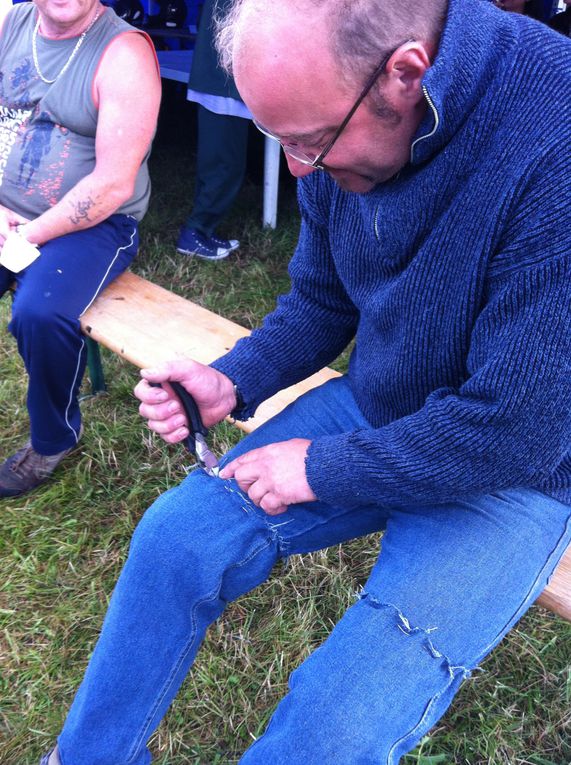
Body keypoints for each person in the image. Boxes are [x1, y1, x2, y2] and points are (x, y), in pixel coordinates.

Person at [41, 0, 571, 763]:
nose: (297, 169)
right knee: (174, 541)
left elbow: (517, 427)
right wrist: (234, 381)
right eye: (278, 140)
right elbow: (324, 299)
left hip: (511, 471)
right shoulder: (329, 110)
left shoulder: (552, 138)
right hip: (381, 405)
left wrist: (319, 467)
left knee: (331, 730)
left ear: (404, 75)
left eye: (311, 142)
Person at [0, 0, 161, 497]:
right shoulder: (9, 22)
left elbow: (113, 185)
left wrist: (25, 237)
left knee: (42, 313)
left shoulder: (123, 55)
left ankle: (52, 440)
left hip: (95, 223)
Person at [176, 0, 249, 260]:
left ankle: (202, 230)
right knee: (223, 165)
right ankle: (195, 232)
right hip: (223, 81)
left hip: (222, 77)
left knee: (218, 162)